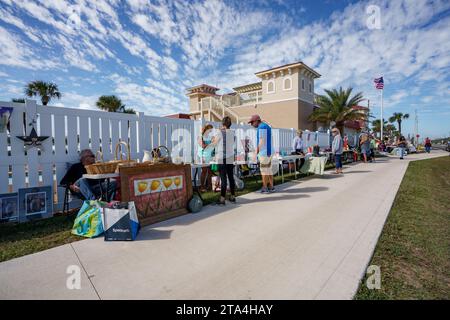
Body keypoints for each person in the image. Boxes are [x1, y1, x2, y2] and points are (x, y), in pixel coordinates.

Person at [211, 116, 236, 205]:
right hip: (230, 156)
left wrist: (214, 137)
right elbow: (233, 142)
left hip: (222, 157)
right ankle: (232, 196)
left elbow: (214, 143)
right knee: (231, 177)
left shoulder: (220, 132)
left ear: (223, 123)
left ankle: (222, 199)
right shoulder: (233, 133)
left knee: (223, 178)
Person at [249, 114, 274, 194]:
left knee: (264, 170)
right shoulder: (266, 126)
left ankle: (265, 187)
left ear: (257, 121)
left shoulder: (261, 127)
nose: (251, 124)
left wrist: (256, 152)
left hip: (264, 152)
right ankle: (271, 186)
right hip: (269, 151)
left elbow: (262, 141)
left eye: (252, 122)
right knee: (268, 169)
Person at [197, 124, 214, 192]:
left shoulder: (210, 137)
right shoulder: (200, 137)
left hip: (209, 156)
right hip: (202, 156)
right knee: (204, 171)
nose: (211, 132)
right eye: (210, 130)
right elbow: (203, 146)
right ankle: (202, 187)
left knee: (210, 171)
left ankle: (210, 186)